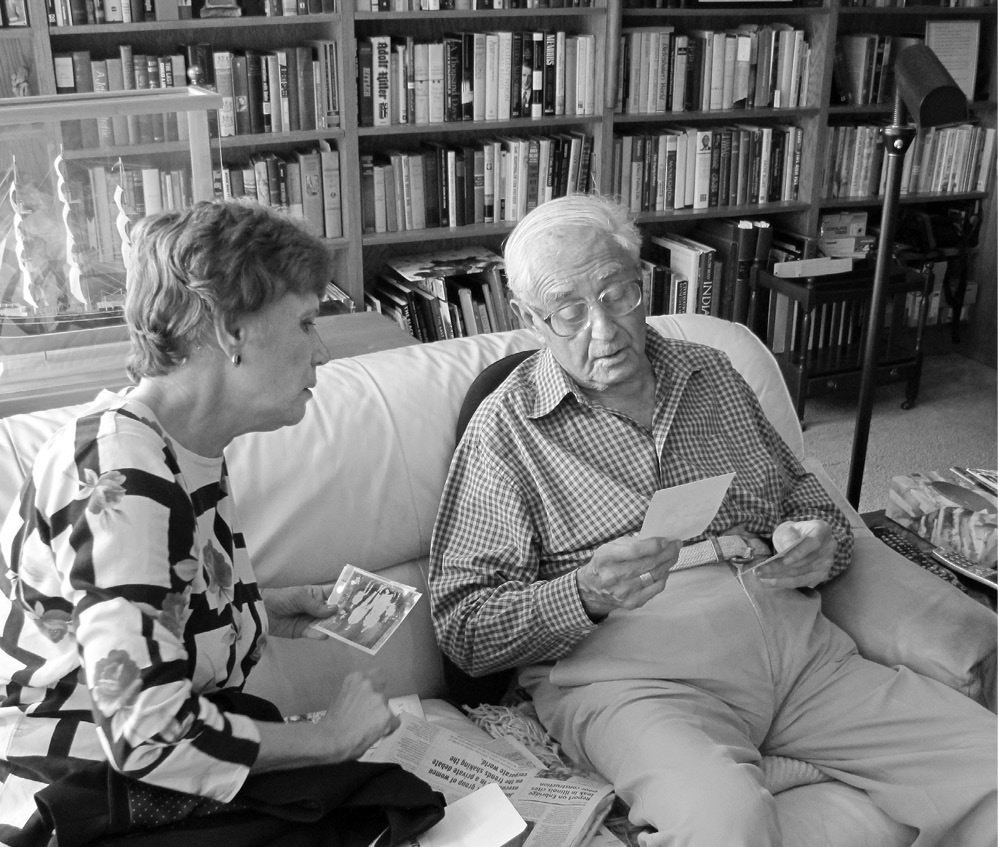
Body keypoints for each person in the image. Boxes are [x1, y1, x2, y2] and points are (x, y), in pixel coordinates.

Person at [429, 194, 997, 846]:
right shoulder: (506, 432)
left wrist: (818, 542)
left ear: (644, 281)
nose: (604, 329)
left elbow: (806, 500)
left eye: (618, 294)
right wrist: (583, 593)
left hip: (796, 647)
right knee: (724, 822)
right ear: (531, 317)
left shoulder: (713, 373)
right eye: (568, 311)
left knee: (987, 763)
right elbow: (464, 629)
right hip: (633, 679)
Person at [0, 200, 442, 847]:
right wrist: (327, 736)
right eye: (305, 321)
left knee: (382, 804)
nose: (321, 350)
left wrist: (258, 607)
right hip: (73, 767)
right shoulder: (120, 473)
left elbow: (152, 607)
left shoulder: (184, 445)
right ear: (230, 330)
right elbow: (144, 731)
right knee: (380, 806)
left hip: (136, 747)